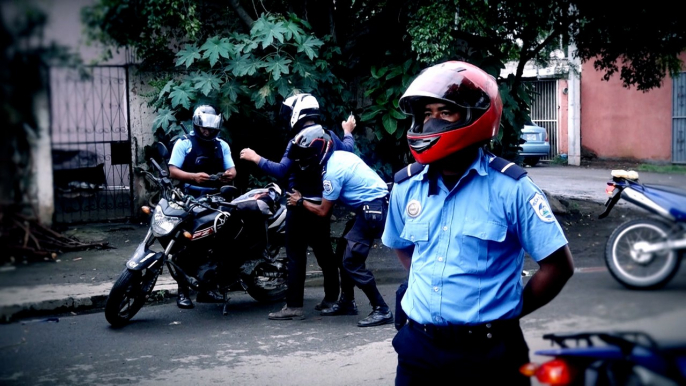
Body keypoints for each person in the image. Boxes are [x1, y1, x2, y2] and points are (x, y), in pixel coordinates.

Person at [381, 61, 575, 385]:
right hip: (418, 349)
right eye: (427, 112)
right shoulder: (406, 187)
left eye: (445, 112)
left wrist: (508, 311)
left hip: (490, 353)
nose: (431, 121)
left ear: (475, 115)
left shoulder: (513, 189)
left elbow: (558, 266)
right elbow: (405, 249)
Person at [239, 93, 357, 320]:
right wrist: (348, 132)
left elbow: (281, 170)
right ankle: (331, 299)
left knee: (295, 254)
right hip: (322, 203)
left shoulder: (298, 140)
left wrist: (255, 158)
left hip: (297, 203)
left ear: (297, 113)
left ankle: (294, 306)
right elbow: (348, 152)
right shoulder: (329, 136)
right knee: (324, 252)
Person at [285, 126, 393, 327]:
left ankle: (382, 309)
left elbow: (323, 211)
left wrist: (300, 202)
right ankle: (347, 302)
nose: (302, 159)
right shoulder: (338, 156)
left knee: (351, 261)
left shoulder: (331, 173)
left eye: (306, 154)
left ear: (318, 152)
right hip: (371, 207)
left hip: (373, 209)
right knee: (343, 251)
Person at [168, 104, 237, 309]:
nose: (207, 131)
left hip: (215, 200)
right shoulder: (184, 144)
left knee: (215, 244)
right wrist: (193, 177)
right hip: (187, 198)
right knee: (184, 246)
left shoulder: (222, 145)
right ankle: (183, 292)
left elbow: (232, 170)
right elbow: (172, 170)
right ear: (196, 125)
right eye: (203, 128)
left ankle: (208, 289)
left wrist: (228, 175)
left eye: (211, 128)